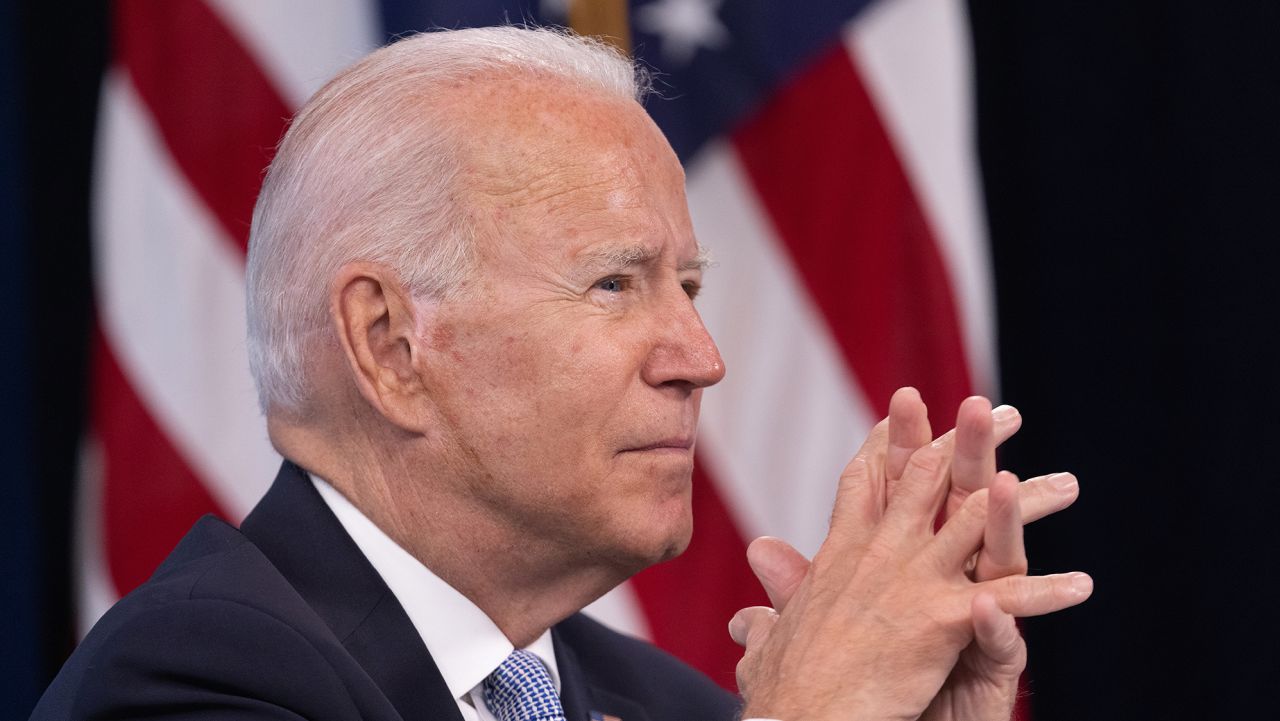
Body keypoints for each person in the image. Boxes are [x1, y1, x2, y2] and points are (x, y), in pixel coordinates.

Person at [31, 26, 1090, 721]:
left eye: (689, 287)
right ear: (388, 344)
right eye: (614, 286)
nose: (699, 360)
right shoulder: (189, 678)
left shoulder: (668, 705)